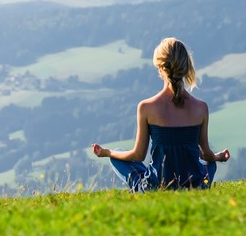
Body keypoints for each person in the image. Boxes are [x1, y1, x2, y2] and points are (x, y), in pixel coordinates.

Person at [91, 37, 230, 191]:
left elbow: (138, 156)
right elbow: (206, 155)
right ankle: (198, 186)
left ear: (160, 68)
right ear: (187, 67)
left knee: (118, 154)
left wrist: (107, 152)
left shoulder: (146, 107)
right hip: (194, 186)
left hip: (157, 187)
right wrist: (218, 157)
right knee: (210, 165)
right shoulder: (201, 108)